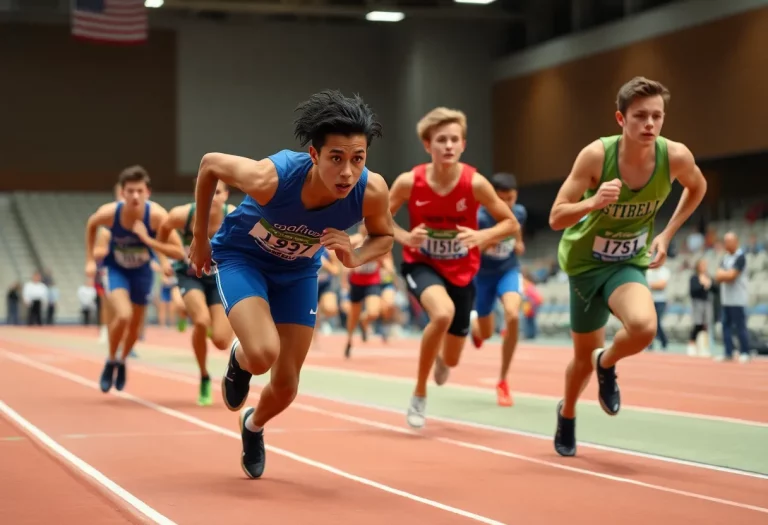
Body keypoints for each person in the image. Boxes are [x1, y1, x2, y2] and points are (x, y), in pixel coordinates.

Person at [188, 90, 394, 479]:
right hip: (242, 259)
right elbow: (209, 164)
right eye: (336, 159)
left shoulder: (371, 190)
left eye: (358, 159)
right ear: (315, 156)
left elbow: (383, 237)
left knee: (285, 387)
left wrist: (355, 255)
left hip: (298, 272)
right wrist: (200, 239)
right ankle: (241, 357)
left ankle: (253, 426)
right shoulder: (271, 178)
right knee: (263, 352)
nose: (348, 172)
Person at [549, 76, 708, 457]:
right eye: (640, 116)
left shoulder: (676, 156)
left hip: (627, 262)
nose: (650, 124)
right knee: (580, 359)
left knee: (644, 328)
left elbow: (697, 187)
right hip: (585, 266)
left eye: (657, 116)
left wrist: (667, 235)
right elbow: (556, 217)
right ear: (620, 119)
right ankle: (567, 414)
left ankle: (607, 363)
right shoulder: (595, 157)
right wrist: (592, 203)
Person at [388, 107, 520, 429]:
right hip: (422, 264)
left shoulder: (475, 184)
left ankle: (438, 354)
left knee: (452, 359)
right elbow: (378, 219)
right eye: (441, 140)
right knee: (442, 313)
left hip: (462, 272)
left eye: (454, 140)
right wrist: (406, 236)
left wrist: (482, 235)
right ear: (427, 145)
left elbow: (510, 222)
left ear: (463, 145)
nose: (448, 145)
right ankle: (419, 393)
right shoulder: (409, 182)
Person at [84, 166, 185, 393]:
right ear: (123, 193)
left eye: (139, 190)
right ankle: (111, 360)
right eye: (130, 191)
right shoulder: (110, 213)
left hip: (142, 272)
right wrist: (90, 260)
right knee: (123, 315)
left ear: (147, 192)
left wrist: (149, 243)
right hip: (116, 269)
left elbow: (178, 252)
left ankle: (122, 361)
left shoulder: (158, 216)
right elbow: (91, 224)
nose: (135, 196)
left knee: (135, 327)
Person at [157, 179, 236, 406]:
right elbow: (163, 230)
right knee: (201, 321)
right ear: (197, 194)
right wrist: (164, 260)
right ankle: (203, 375)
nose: (212, 197)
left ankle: (212, 328)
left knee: (221, 340)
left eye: (217, 192)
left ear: (225, 195)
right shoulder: (182, 215)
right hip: (190, 276)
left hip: (219, 278)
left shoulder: (233, 216)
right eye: (207, 192)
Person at [468, 172, 527, 407]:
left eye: (510, 199)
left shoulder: (519, 212)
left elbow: (516, 226)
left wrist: (518, 241)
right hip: (483, 278)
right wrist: (491, 239)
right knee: (486, 333)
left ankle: (503, 380)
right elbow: (470, 250)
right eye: (501, 199)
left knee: (513, 314)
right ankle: (475, 326)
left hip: (508, 271)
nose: (506, 204)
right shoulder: (480, 218)